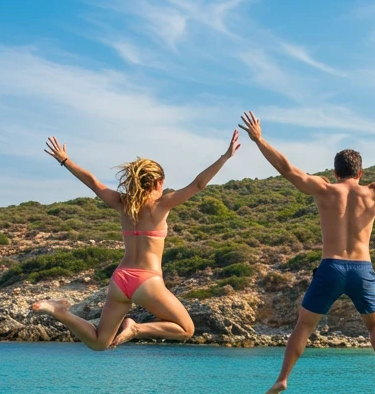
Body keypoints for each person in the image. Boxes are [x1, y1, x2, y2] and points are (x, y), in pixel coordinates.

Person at [238, 111, 375, 394]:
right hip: (361, 268)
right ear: (360, 173)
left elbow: (286, 169)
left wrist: (259, 139)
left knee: (304, 326)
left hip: (331, 266)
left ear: (335, 172)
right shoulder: (373, 192)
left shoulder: (325, 190)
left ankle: (283, 378)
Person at [31, 132, 240, 349]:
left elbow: (93, 183)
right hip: (147, 281)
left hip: (120, 280)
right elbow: (198, 184)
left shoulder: (122, 203)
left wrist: (65, 160)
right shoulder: (161, 204)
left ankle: (59, 312)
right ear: (159, 182)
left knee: (100, 342)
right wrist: (225, 157)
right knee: (186, 329)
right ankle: (136, 328)